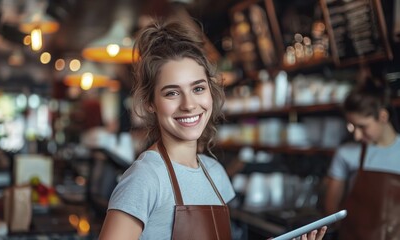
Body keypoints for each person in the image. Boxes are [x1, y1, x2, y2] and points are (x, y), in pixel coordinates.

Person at [99, 19, 327, 240]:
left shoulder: (214, 173)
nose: (189, 104)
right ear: (150, 103)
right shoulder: (145, 178)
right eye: (172, 92)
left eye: (198, 88)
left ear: (211, 90)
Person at [324, 76, 400, 239]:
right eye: (352, 127)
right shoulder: (346, 153)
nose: (357, 135)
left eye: (362, 126)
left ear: (382, 117)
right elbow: (331, 211)